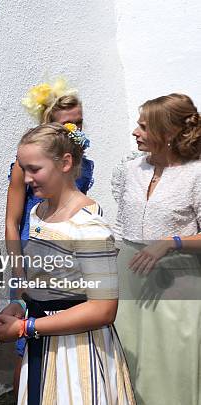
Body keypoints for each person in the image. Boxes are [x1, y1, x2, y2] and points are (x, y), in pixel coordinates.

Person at [0, 123, 135, 405]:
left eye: (34, 169)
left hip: (78, 350)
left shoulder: (89, 226)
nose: (26, 178)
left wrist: (27, 328)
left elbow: (103, 309)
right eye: (23, 168)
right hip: (43, 341)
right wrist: (23, 303)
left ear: (65, 163)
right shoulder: (40, 211)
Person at [0, 79, 95, 396]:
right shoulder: (24, 167)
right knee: (27, 347)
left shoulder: (84, 162)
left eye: (78, 121)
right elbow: (11, 222)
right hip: (31, 260)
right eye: (65, 123)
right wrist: (18, 275)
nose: (74, 128)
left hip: (71, 262)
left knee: (67, 338)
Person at [112, 93, 201, 405]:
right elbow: (122, 226)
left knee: (169, 368)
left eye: (143, 127)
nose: (135, 132)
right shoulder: (129, 170)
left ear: (169, 133)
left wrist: (171, 242)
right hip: (129, 278)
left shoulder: (196, 173)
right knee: (128, 360)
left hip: (176, 283)